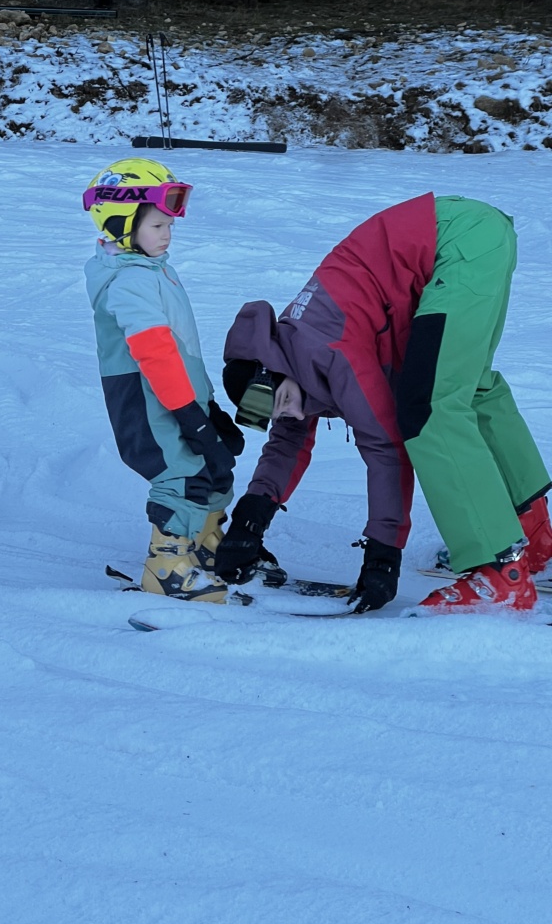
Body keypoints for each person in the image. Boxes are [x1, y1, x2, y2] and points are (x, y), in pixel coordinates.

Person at [215, 193, 552, 614]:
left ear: (272, 371)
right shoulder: (287, 359)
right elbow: (286, 444)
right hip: (475, 234)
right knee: (470, 389)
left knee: (428, 406)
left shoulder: (328, 350)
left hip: (454, 245)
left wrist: (382, 554)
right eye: (277, 412)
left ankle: (502, 572)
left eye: (282, 401)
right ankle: (530, 533)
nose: (292, 414)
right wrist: (250, 521)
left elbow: (386, 448)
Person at [83, 157, 253, 602]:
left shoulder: (154, 272)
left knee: (217, 468)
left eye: (169, 225)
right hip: (146, 398)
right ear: (121, 221)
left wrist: (207, 408)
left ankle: (206, 547)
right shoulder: (128, 282)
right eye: (158, 224)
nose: (167, 234)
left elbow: (181, 354)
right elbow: (154, 352)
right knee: (181, 475)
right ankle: (167, 567)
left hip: (180, 395)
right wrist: (187, 414)